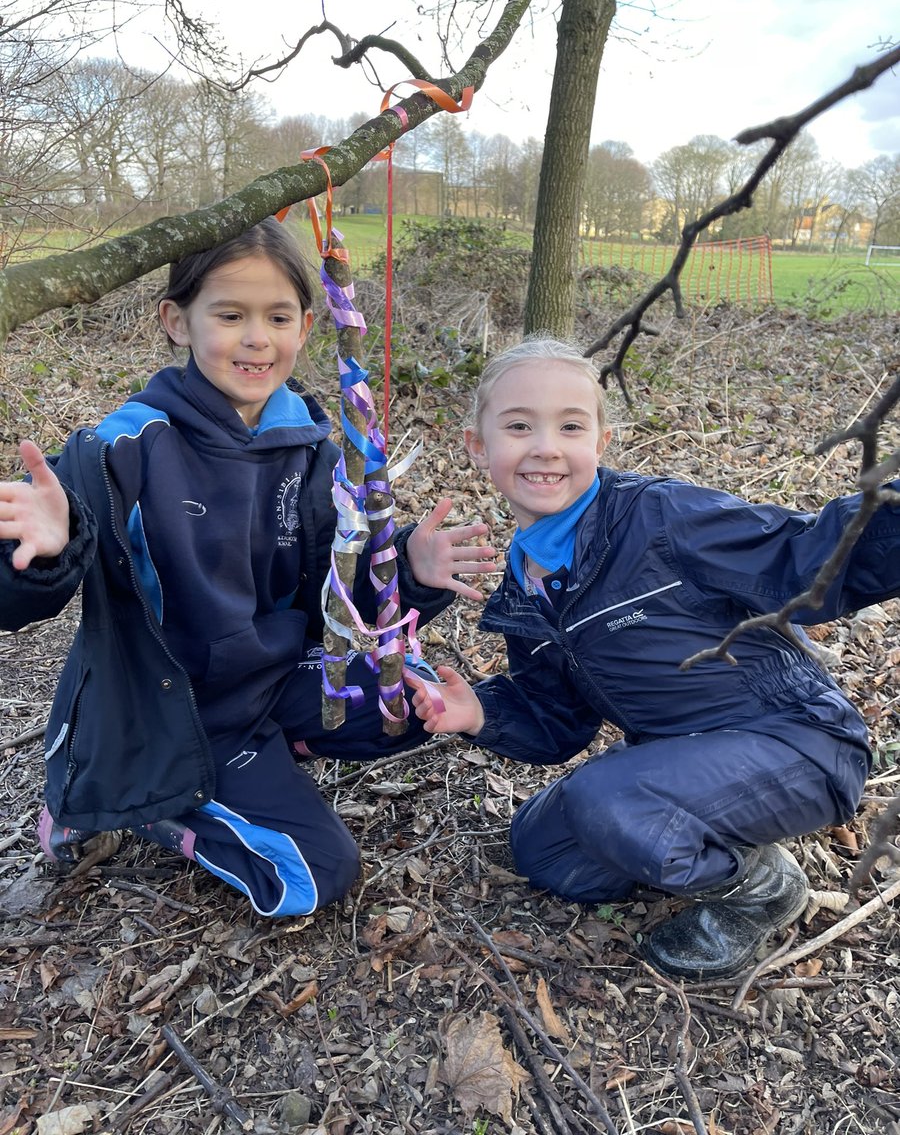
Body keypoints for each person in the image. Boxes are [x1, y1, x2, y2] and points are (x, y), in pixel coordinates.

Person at [0, 218, 496, 918]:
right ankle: (157, 804)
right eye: (230, 315)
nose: (257, 338)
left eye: (278, 317)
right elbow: (15, 599)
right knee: (314, 875)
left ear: (307, 326)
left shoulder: (313, 448)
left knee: (412, 698)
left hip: (269, 682)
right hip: (178, 713)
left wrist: (408, 569)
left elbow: (336, 596)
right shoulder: (122, 447)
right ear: (178, 322)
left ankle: (271, 752)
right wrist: (48, 549)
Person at [405, 337, 900, 980]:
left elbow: (804, 558)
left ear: (601, 441)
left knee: (608, 802)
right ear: (478, 445)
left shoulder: (661, 517)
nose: (546, 447)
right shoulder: (523, 590)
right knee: (545, 850)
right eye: (519, 426)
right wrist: (478, 711)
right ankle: (678, 822)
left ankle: (760, 888)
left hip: (800, 743)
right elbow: (557, 721)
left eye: (570, 426)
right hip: (681, 752)